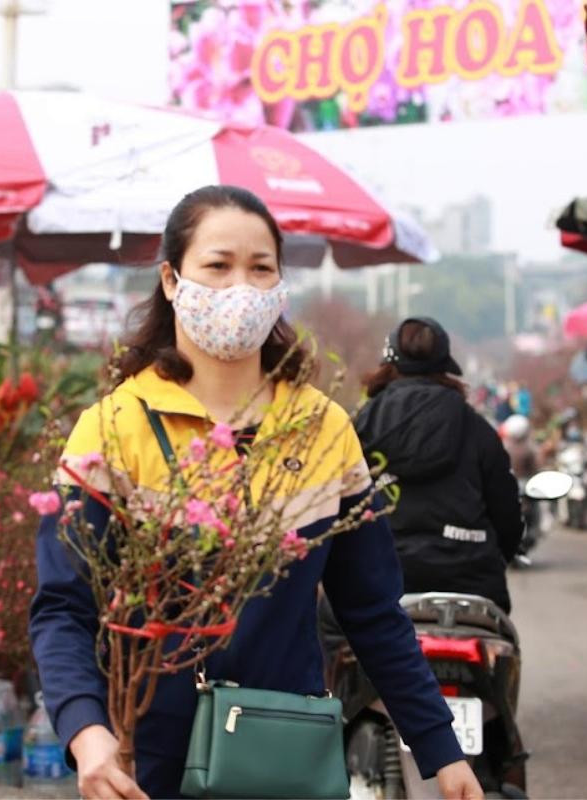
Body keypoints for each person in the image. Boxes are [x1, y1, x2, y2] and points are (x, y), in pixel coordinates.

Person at [29, 187, 480, 800]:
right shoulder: (113, 430)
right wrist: (86, 730)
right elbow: (63, 608)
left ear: (279, 284)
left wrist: (441, 751)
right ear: (171, 279)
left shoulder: (324, 431)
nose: (240, 287)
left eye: (260, 267)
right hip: (143, 762)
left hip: (281, 754)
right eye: (217, 265)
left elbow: (372, 611)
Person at [354, 317, 524, 613]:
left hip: (380, 581)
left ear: (388, 364)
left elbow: (335, 506)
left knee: (330, 635)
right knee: (503, 650)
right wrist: (496, 557)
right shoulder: (478, 429)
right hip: (472, 583)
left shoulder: (360, 426)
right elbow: (507, 512)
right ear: (445, 365)